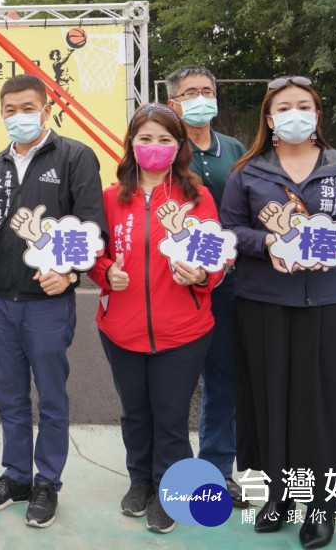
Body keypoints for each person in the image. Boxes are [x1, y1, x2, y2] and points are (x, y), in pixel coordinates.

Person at [221, 76, 336, 549]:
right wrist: (269, 240)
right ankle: (281, 494)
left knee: (325, 406)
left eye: (304, 106)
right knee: (272, 401)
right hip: (265, 305)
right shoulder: (249, 173)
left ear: (317, 115)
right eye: (284, 107)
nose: (295, 113)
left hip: (332, 305)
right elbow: (230, 230)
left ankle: (322, 505)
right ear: (269, 120)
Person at [0, 75, 106, 529]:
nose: (18, 116)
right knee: (8, 394)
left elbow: (93, 227)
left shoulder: (75, 156)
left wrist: (69, 274)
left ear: (46, 109)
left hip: (47, 301)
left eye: (27, 107)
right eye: (9, 110)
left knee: (50, 395)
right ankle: (16, 476)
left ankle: (48, 480)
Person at [88, 104, 223, 534]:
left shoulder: (196, 196)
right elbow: (93, 253)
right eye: (145, 138)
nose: (154, 147)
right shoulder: (110, 198)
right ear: (131, 143)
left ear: (179, 146)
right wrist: (105, 272)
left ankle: (171, 489)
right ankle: (140, 480)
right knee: (134, 412)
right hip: (121, 328)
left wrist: (202, 274)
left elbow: (215, 255)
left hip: (183, 330)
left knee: (170, 415)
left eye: (165, 139)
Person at [165, 66, 247, 506]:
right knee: (173, 382)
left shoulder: (234, 149)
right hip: (175, 285)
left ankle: (216, 469)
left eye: (207, 91)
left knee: (223, 380)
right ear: (173, 101)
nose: (200, 98)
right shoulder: (162, 149)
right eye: (190, 92)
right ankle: (172, 469)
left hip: (227, 285)